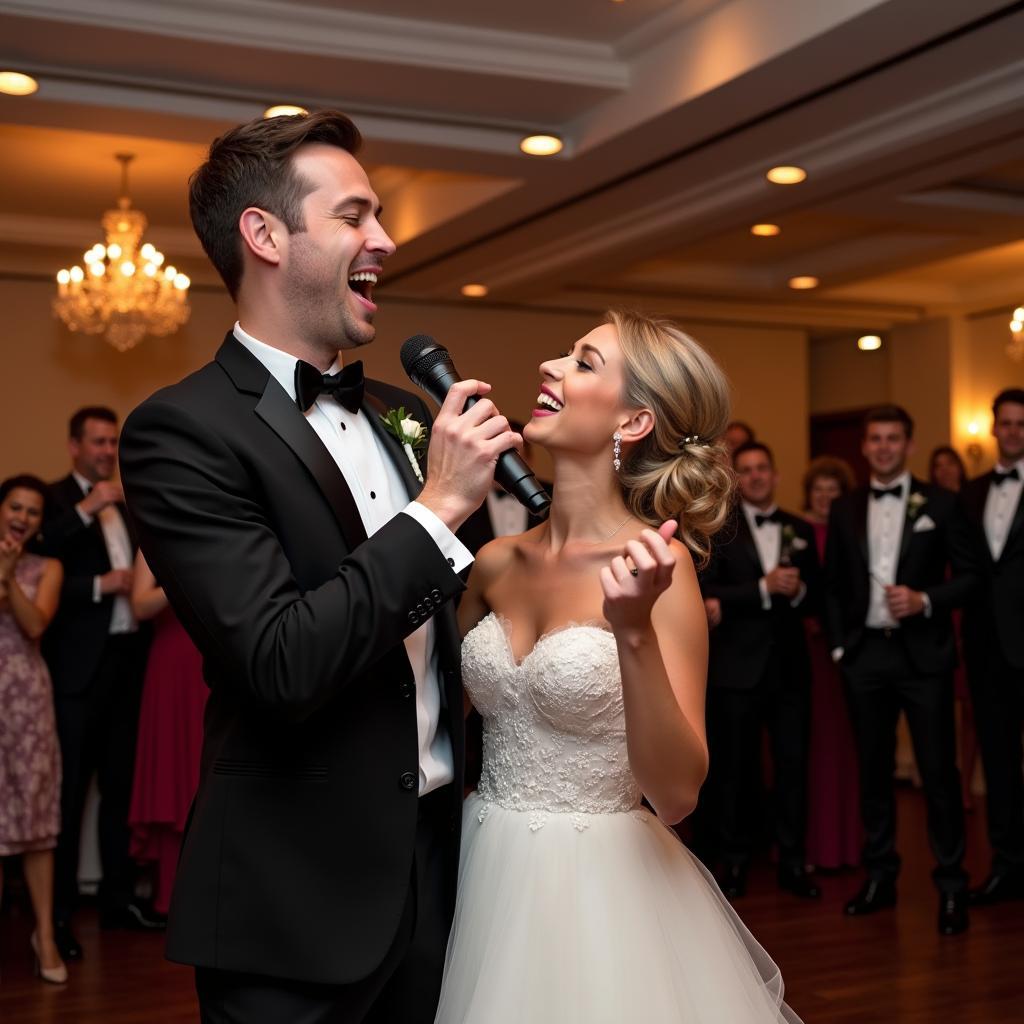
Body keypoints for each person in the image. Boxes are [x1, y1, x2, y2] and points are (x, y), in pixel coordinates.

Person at [119, 109, 518, 1023]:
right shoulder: (182, 432)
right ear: (264, 235)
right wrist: (439, 508)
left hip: (437, 871)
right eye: (354, 216)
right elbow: (280, 661)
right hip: (290, 903)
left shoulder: (395, 411)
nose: (384, 238)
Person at [436, 310, 802, 1023]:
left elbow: (676, 796)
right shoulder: (491, 564)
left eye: (582, 362)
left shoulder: (660, 574)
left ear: (632, 423)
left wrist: (631, 630)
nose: (549, 367)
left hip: (603, 893)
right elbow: (432, 721)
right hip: (479, 865)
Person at [824, 405, 975, 935]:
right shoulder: (845, 508)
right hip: (865, 658)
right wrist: (843, 650)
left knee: (938, 774)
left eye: (893, 439)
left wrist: (927, 599)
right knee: (874, 772)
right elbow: (834, 586)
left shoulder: (942, 503)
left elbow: (970, 577)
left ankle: (952, 885)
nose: (884, 447)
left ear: (909, 444)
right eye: (875, 439)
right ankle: (879, 877)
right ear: (864, 447)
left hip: (923, 658)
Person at [41, 407, 156, 962]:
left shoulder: (129, 504)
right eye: (97, 442)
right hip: (75, 668)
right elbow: (33, 564)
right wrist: (97, 584)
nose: (106, 452)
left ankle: (115, 900)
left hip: (128, 662)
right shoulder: (57, 500)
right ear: (73, 445)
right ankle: (58, 912)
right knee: (67, 793)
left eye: (112, 442)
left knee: (119, 788)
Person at [699, 442, 821, 901]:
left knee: (793, 767)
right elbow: (706, 592)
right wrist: (761, 589)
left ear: (775, 474)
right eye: (745, 470)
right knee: (732, 770)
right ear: (736, 478)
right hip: (735, 668)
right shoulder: (718, 529)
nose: (754, 476)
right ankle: (732, 863)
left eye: (761, 469)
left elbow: (821, 598)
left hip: (790, 669)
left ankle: (792, 861)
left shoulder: (799, 527)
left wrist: (802, 587)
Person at [0, 475, 67, 984]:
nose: (22, 517)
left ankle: (43, 935)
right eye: (15, 507)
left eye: (33, 512)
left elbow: (35, 625)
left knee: (37, 825)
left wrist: (6, 580)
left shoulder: (49, 567)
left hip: (25, 704)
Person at [959, 388, 1024, 905]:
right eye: (1005, 424)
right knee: (998, 760)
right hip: (986, 648)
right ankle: (1006, 863)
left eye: (1021, 424)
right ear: (994, 427)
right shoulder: (972, 492)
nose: (1012, 432)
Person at [127, 550, 208, 918]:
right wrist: (184, 571)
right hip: (172, 665)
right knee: (174, 774)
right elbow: (139, 606)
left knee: (204, 770)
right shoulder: (152, 541)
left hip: (214, 659)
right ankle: (172, 896)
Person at [801, 456, 861, 871]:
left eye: (832, 490)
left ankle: (848, 846)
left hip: (843, 652)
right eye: (818, 489)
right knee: (811, 746)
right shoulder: (798, 530)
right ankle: (813, 847)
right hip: (805, 652)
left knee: (846, 744)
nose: (824, 497)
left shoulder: (852, 532)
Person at [928, 445, 976, 811]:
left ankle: (968, 785)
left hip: (965, 617)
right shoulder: (931, 504)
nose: (945, 470)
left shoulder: (964, 503)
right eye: (937, 466)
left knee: (972, 713)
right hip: (937, 619)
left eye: (950, 464)